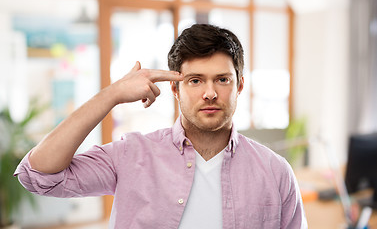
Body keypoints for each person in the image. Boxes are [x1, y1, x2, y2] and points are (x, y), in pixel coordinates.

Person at [15, 24, 307, 229]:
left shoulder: (276, 172)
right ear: (175, 89)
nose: (209, 93)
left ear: (239, 85)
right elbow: (39, 176)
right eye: (195, 80)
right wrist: (111, 94)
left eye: (222, 79)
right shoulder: (132, 155)